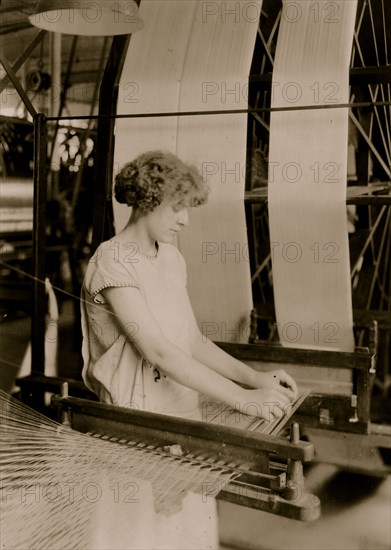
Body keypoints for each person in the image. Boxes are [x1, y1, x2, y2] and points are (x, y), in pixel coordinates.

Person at [80, 150, 298, 549]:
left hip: (182, 412)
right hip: (135, 421)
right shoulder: (113, 262)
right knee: (140, 531)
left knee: (185, 526)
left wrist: (255, 378)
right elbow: (159, 351)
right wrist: (244, 399)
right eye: (178, 208)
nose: (186, 219)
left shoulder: (172, 260)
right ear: (148, 201)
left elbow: (191, 340)